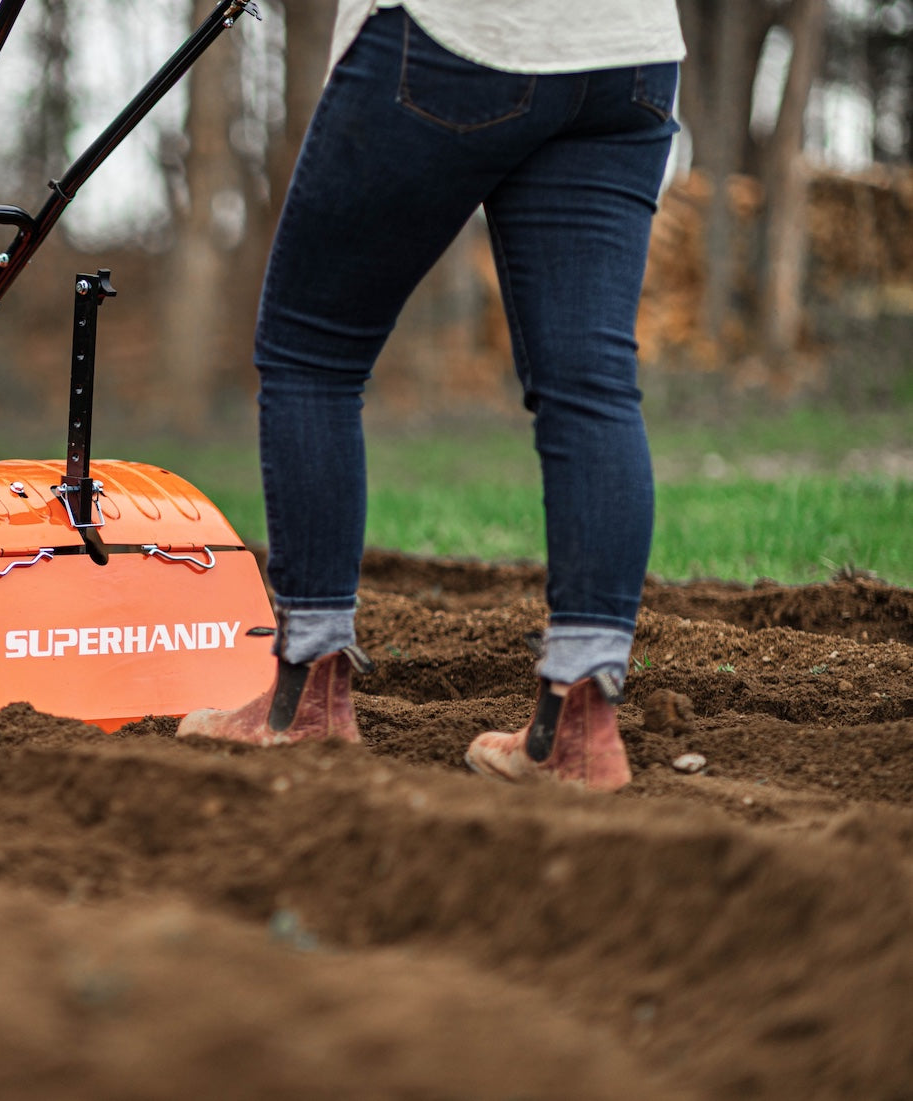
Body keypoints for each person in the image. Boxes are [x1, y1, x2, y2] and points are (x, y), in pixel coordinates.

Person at [178, 0, 685, 794]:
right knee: (590, 382)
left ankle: (306, 701)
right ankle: (579, 730)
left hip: (460, 35)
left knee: (312, 348)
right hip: (628, 54)